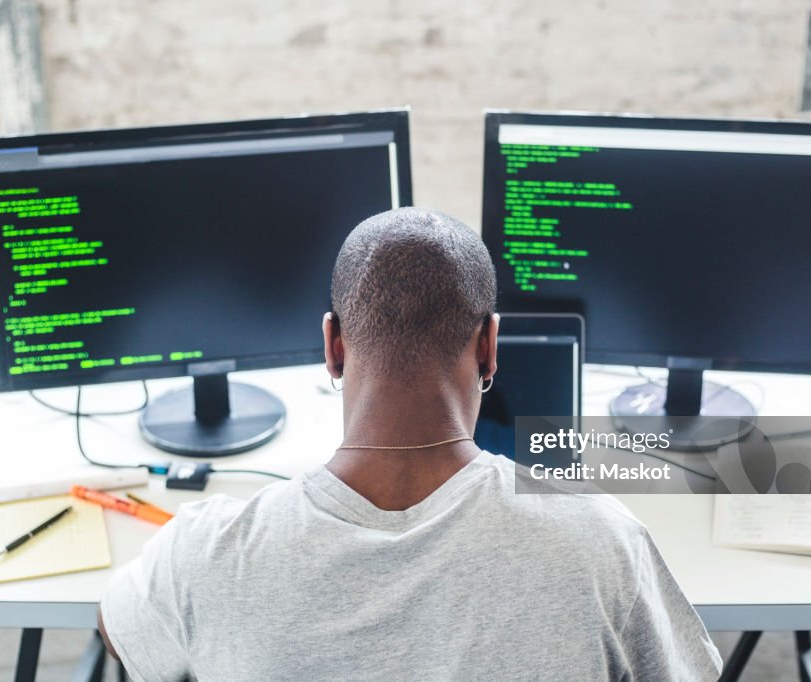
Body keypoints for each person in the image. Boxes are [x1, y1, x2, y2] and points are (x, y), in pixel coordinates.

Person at [98, 207, 723, 680]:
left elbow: (117, 631)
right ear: (489, 347)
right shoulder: (601, 542)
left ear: (333, 346)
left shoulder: (201, 550)